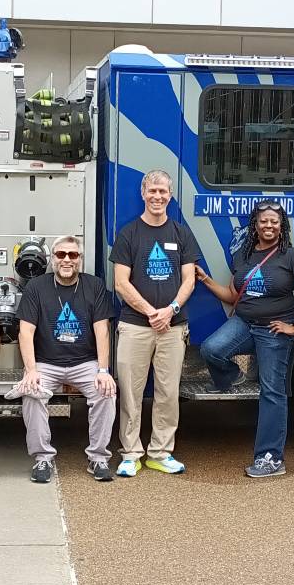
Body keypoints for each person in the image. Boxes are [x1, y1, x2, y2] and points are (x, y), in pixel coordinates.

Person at [196, 201, 294, 477]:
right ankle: (232, 378)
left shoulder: (291, 256)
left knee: (272, 392)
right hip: (243, 323)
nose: (269, 226)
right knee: (211, 349)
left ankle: (271, 458)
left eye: (274, 222)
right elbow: (232, 295)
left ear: (281, 226)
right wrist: (206, 280)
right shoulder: (244, 255)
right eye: (264, 221)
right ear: (255, 224)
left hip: (274, 331)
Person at [110, 169, 198, 477]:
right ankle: (131, 454)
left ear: (170, 196)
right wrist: (151, 311)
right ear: (143, 194)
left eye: (163, 192)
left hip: (173, 328)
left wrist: (170, 309)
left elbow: (189, 280)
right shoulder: (129, 233)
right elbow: (121, 283)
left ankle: (160, 452)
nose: (157, 197)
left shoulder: (181, 233)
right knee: (131, 393)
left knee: (167, 392)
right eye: (152, 191)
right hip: (135, 326)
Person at [13, 235, 117, 483]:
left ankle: (98, 457)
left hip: (84, 362)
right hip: (47, 362)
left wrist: (103, 370)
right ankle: (42, 458)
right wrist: (31, 371)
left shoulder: (94, 286)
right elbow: (25, 332)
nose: (67, 260)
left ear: (80, 259)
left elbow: (102, 330)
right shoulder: (36, 287)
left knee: (106, 392)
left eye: (73, 255)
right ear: (52, 259)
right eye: (61, 255)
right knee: (32, 392)